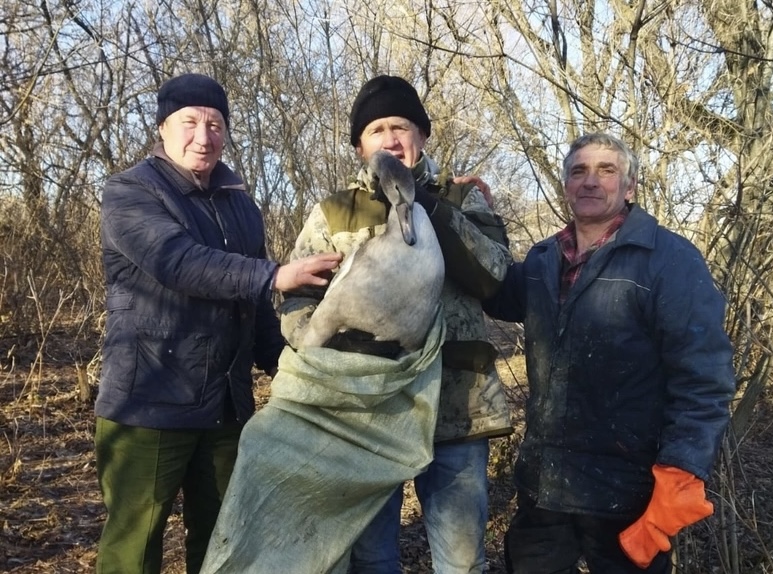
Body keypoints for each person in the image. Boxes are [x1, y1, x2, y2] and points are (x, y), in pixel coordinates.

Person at [94, 72, 341, 574]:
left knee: (221, 543)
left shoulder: (241, 205)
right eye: (189, 122)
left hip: (226, 409)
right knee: (133, 548)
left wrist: (297, 369)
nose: (203, 136)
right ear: (162, 127)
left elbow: (255, 312)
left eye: (215, 124)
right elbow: (178, 262)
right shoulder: (129, 193)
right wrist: (276, 275)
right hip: (149, 404)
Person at [279, 74, 514, 574]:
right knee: (371, 559)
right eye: (377, 129)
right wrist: (331, 360)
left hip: (457, 404)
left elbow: (496, 277)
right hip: (367, 411)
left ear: (422, 135)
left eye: (401, 126)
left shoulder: (462, 199)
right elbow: (297, 305)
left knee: (463, 561)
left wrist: (426, 206)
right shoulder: (333, 213)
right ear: (360, 144)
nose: (390, 139)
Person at [483, 132, 736, 573]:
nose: (590, 181)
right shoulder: (544, 260)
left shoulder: (667, 260)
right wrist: (480, 222)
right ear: (566, 186)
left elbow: (704, 378)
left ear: (630, 187)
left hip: (627, 493)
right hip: (544, 487)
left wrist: (681, 469)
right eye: (578, 171)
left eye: (607, 170)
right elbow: (496, 292)